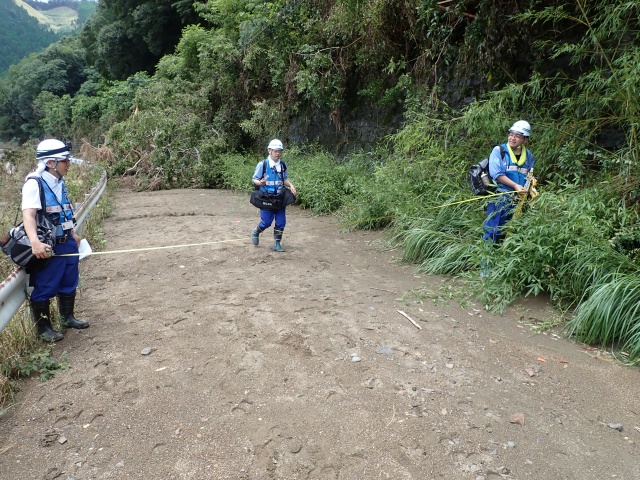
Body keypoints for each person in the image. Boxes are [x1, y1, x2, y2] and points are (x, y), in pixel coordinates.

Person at [23, 138, 89, 342]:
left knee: (70, 280)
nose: (68, 164)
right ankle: (44, 329)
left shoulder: (59, 181)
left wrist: (73, 233)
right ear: (50, 163)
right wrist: (35, 242)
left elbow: (63, 212)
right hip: (49, 245)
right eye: (65, 160)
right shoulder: (35, 183)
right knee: (46, 284)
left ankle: (67, 317)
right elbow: (29, 215)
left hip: (67, 240)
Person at [482, 120, 535, 242]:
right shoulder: (499, 151)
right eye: (511, 134)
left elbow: (530, 175)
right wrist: (515, 185)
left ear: (525, 139)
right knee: (494, 230)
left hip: (519, 200)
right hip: (501, 197)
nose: (513, 138)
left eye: (517, 136)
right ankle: (488, 258)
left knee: (514, 233)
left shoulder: (528, 156)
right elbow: (497, 174)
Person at [250, 139, 297, 252]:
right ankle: (256, 231)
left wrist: (290, 185)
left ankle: (277, 244)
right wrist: (259, 183)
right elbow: (254, 179)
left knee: (281, 222)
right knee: (266, 222)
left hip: (279, 199)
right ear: (269, 150)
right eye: (276, 151)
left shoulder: (282, 165)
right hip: (266, 198)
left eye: (280, 151)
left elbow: (284, 179)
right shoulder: (263, 164)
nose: (278, 153)